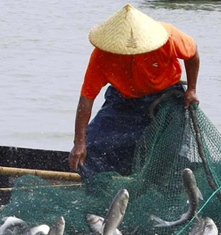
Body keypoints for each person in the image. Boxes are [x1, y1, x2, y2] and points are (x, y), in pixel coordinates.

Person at [68, 5, 200, 180]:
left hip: (166, 98)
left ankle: (160, 184)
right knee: (91, 147)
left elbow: (192, 54)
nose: (132, 53)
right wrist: (79, 143)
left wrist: (192, 89)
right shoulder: (102, 55)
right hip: (123, 99)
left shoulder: (168, 37)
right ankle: (109, 187)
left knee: (171, 153)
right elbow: (86, 99)